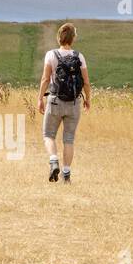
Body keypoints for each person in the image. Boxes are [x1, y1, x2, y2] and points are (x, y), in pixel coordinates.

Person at [37, 22, 91, 183]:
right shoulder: (79, 56)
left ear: (59, 37)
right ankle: (66, 175)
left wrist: (40, 98)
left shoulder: (51, 55)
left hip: (54, 101)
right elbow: (87, 82)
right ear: (72, 38)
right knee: (68, 139)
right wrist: (87, 99)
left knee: (48, 135)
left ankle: (54, 161)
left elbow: (46, 79)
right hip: (74, 103)